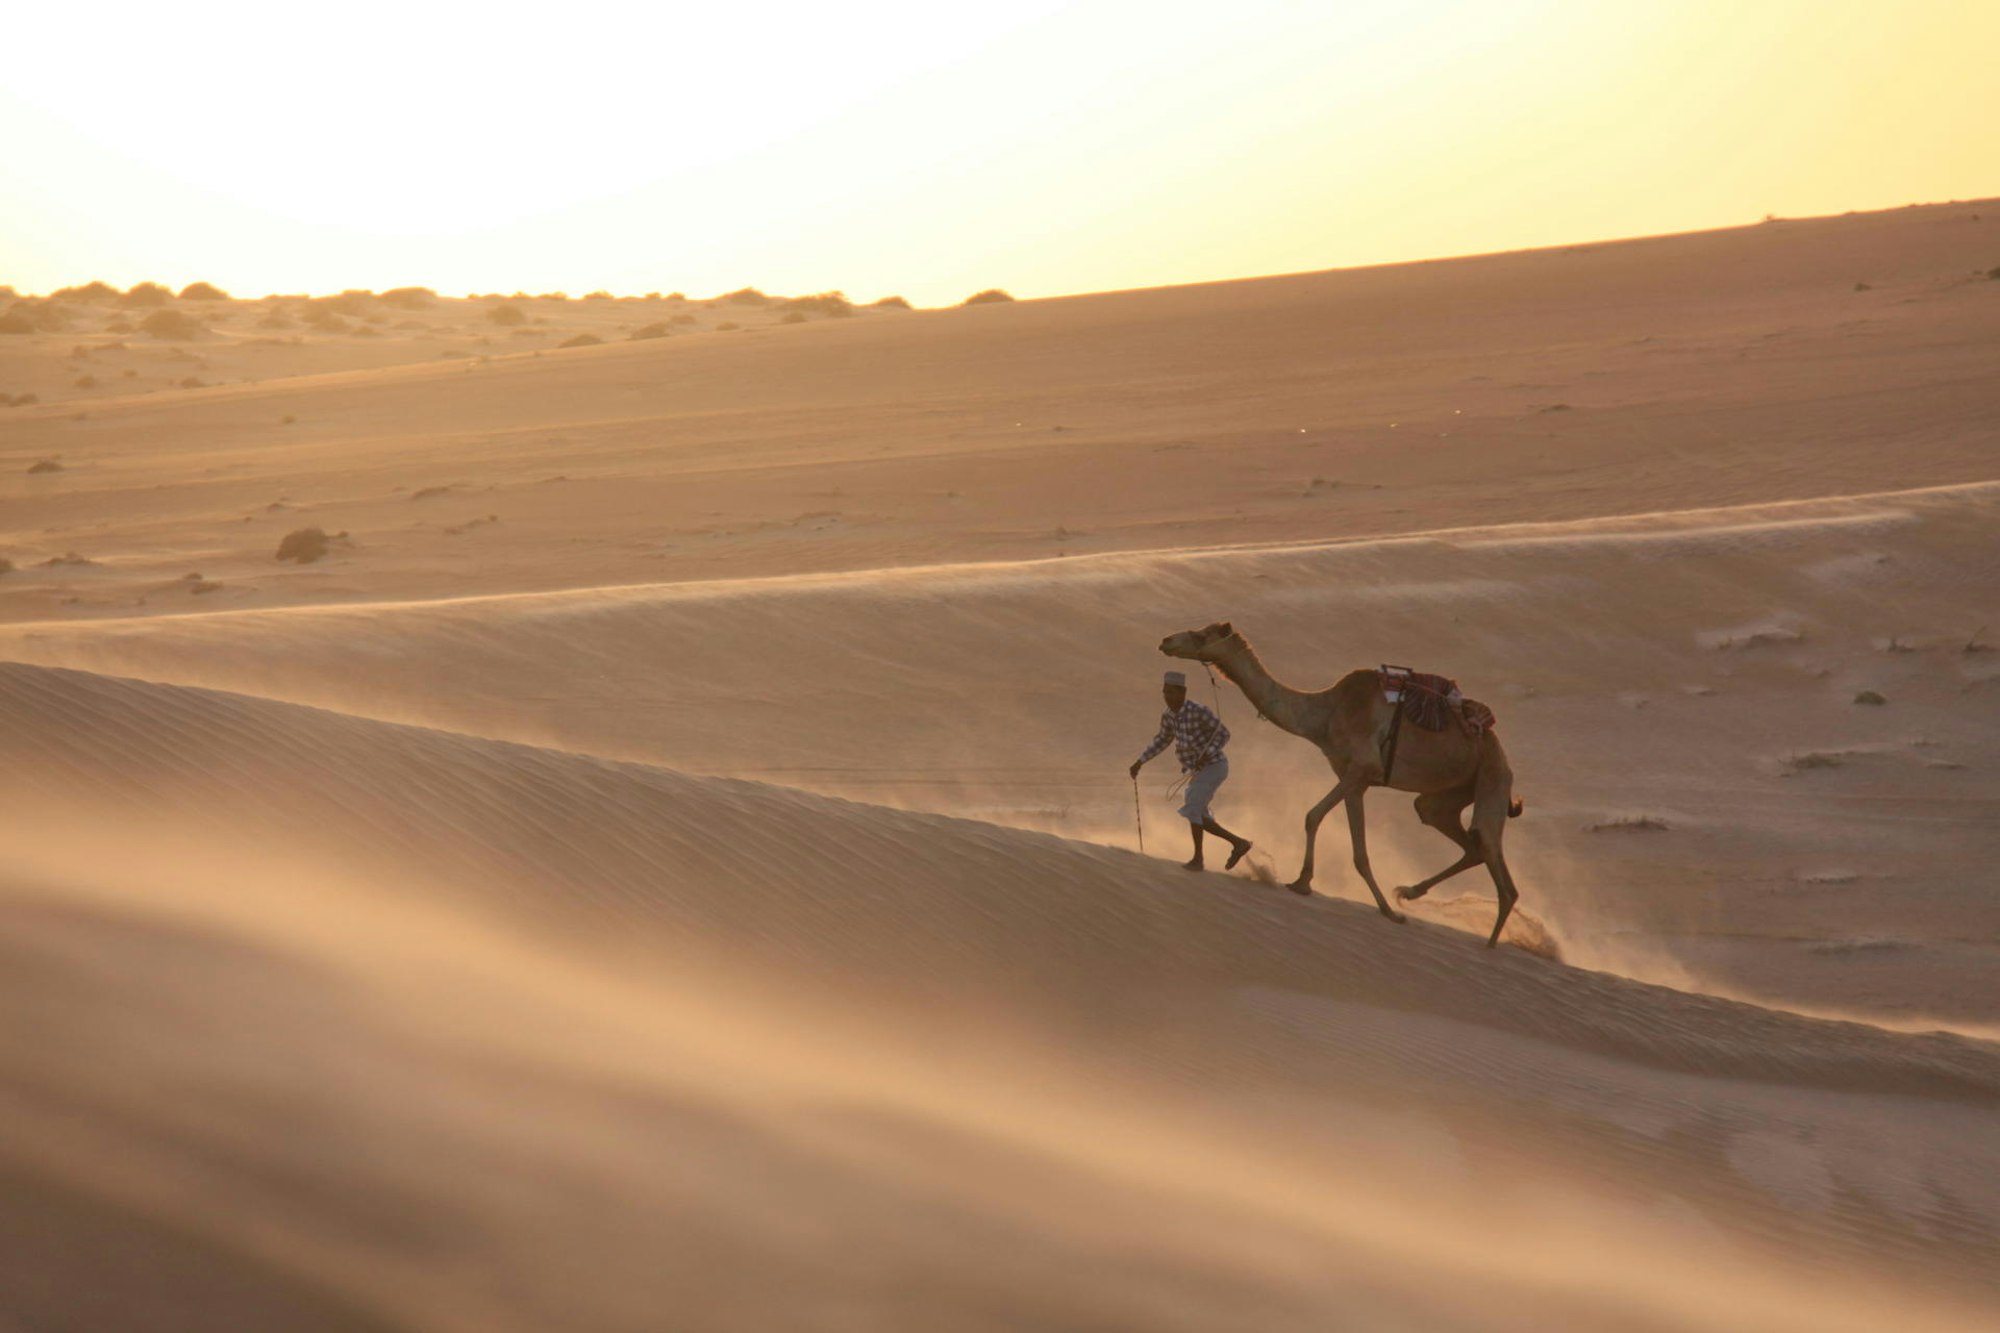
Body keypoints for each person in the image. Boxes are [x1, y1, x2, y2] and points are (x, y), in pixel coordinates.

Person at [1130, 670, 1253, 872]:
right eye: (1165, 692)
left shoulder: (1198, 710)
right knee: (1198, 813)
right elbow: (1162, 740)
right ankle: (1238, 843)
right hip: (1197, 771)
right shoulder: (1169, 716)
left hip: (1215, 766)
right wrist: (1140, 761)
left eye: (1172, 692)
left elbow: (1223, 733)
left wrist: (1208, 752)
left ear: (1183, 692)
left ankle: (1199, 859)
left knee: (1193, 808)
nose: (1168, 697)